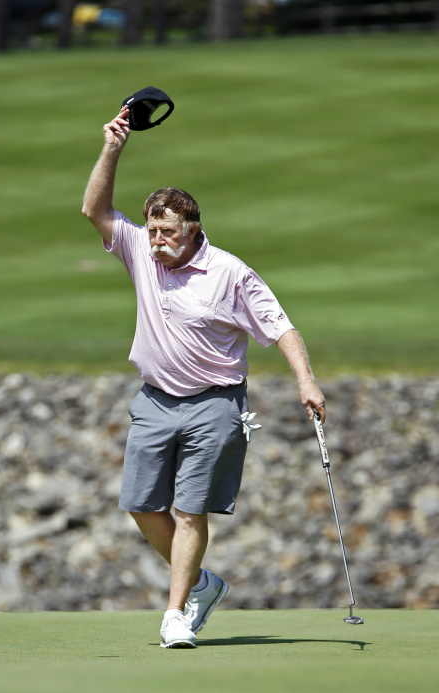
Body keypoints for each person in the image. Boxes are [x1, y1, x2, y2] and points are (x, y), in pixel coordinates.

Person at [82, 105, 326, 649]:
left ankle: (175, 615)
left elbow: (281, 327)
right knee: (142, 505)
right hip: (154, 401)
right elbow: (93, 209)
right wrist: (112, 147)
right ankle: (202, 583)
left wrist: (305, 380)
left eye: (168, 231)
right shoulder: (141, 252)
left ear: (193, 229)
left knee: (190, 510)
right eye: (151, 229)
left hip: (216, 403)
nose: (156, 240)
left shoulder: (230, 273)